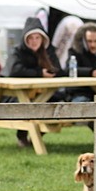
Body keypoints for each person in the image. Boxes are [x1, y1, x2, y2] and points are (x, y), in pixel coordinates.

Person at [8, 17, 63, 147]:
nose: (34, 41)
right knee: (27, 104)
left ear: (42, 39)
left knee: (56, 102)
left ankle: (36, 136)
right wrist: (39, 73)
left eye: (37, 38)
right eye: (31, 38)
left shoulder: (49, 51)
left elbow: (59, 70)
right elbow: (15, 70)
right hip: (17, 94)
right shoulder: (18, 51)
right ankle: (22, 136)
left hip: (44, 92)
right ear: (26, 39)